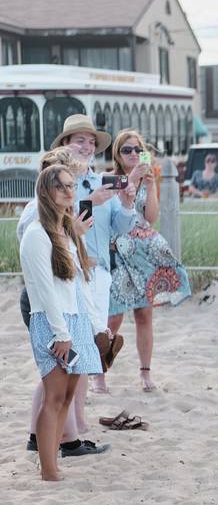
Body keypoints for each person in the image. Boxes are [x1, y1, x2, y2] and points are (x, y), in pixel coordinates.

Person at [18, 148, 111, 458]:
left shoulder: (62, 225)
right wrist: (61, 330)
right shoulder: (38, 221)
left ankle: (61, 441)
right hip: (47, 308)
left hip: (66, 309)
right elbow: (44, 283)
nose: (71, 189)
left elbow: (75, 278)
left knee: (63, 388)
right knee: (53, 388)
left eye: (74, 183)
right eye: (64, 183)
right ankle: (55, 450)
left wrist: (95, 324)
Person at [49, 114, 138, 395]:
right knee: (70, 335)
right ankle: (72, 401)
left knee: (91, 337)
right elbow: (59, 222)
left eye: (91, 142)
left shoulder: (103, 180)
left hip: (98, 269)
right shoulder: (55, 181)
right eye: (80, 141)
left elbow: (120, 228)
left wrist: (126, 204)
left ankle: (81, 401)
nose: (87, 147)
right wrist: (90, 201)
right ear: (65, 144)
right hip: (66, 268)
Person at [107, 130, 192, 392]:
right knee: (113, 317)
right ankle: (98, 374)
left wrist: (152, 184)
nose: (132, 154)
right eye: (126, 150)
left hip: (143, 252)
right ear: (117, 155)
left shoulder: (146, 181)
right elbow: (113, 217)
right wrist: (131, 180)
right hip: (117, 250)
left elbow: (151, 217)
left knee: (144, 314)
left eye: (137, 149)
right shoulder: (110, 180)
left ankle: (145, 372)